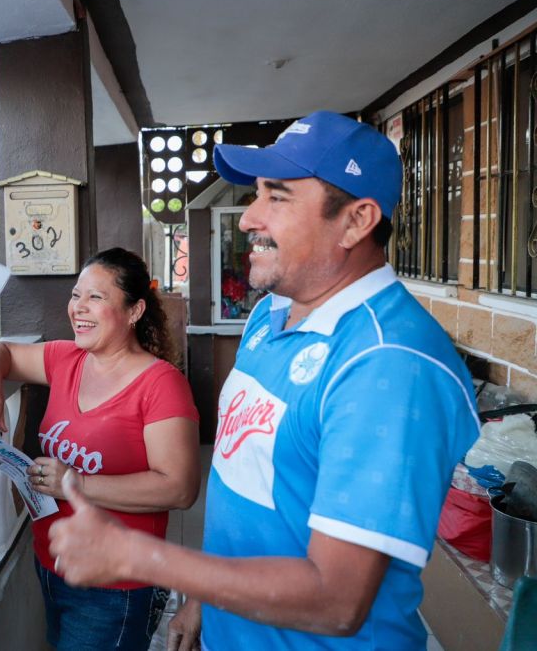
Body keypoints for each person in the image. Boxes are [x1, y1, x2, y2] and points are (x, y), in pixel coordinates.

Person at [46, 112, 481, 650]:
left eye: (277, 197)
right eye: (256, 195)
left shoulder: (389, 363)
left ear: (355, 220)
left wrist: (142, 558)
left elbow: (337, 600)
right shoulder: (270, 315)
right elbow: (242, 476)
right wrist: (204, 596)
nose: (249, 218)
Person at [0, 247, 201, 651]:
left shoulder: (161, 384)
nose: (79, 307)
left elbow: (179, 488)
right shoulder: (67, 359)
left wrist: (76, 483)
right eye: (77, 295)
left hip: (116, 583)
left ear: (134, 311)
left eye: (96, 297)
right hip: (53, 566)